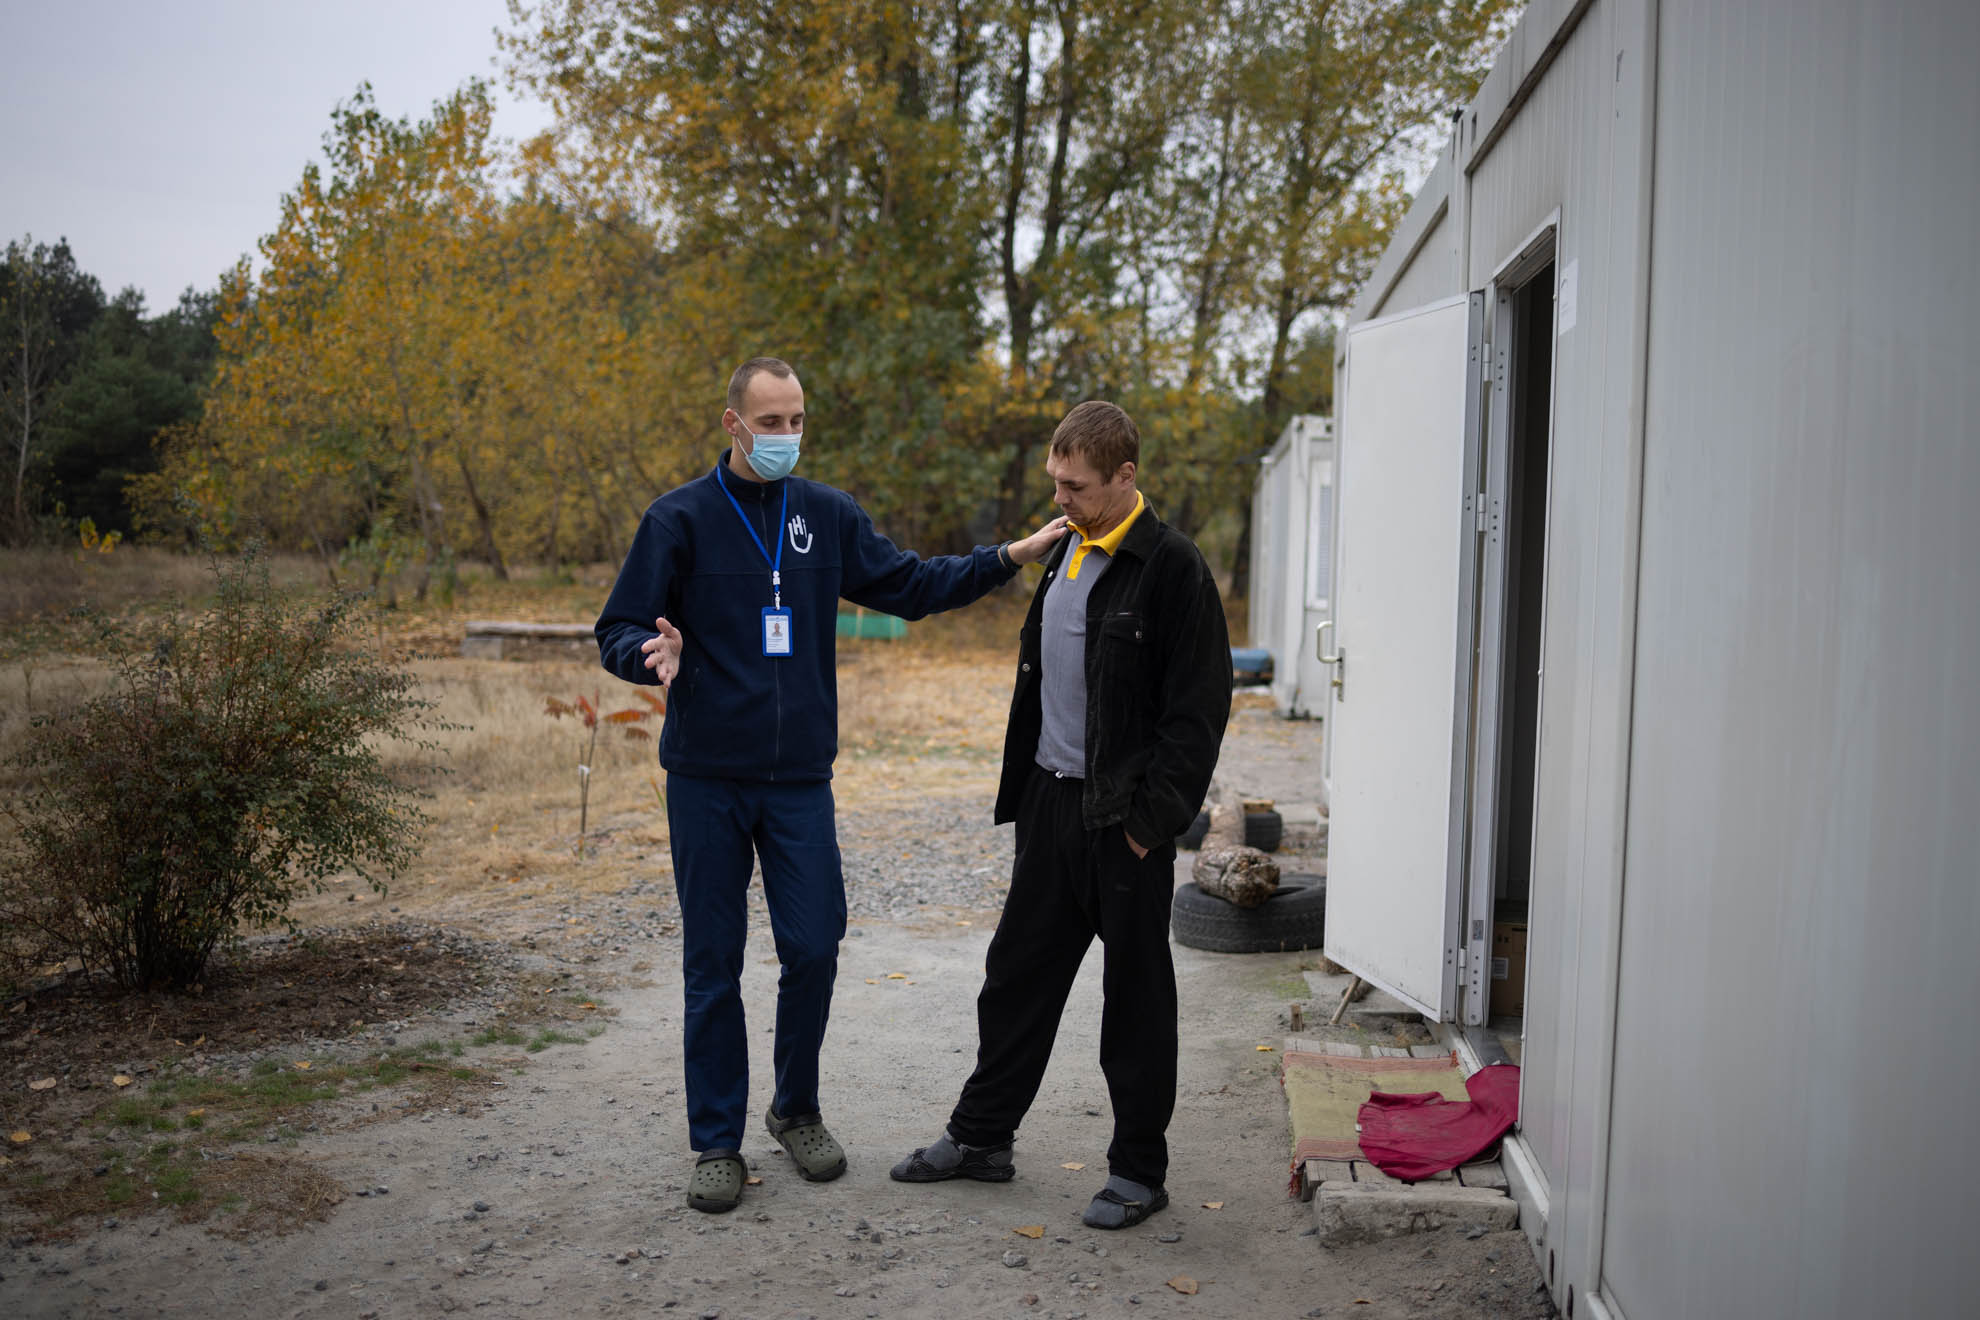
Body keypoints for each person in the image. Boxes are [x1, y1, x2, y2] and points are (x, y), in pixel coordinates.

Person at [596, 357, 1067, 1214]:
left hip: (799, 781)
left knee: (813, 947)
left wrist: (1007, 556)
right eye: (769, 422)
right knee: (714, 962)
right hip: (705, 777)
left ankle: (795, 1108)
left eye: (796, 421)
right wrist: (646, 654)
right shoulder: (679, 520)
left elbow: (913, 586)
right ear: (732, 423)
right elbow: (618, 624)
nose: (785, 437)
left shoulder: (827, 515)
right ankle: (715, 1143)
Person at [890, 400, 1232, 1230]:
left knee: (1136, 1002)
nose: (1062, 498)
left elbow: (1198, 713)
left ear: (1126, 476)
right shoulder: (1065, 551)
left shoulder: (1172, 568)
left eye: (1076, 486)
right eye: (1055, 482)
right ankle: (981, 1140)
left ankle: (1138, 1173)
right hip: (1051, 805)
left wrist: (1153, 824)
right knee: (1015, 980)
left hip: (1125, 825)